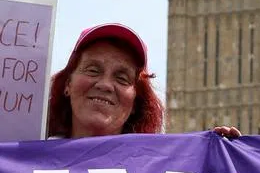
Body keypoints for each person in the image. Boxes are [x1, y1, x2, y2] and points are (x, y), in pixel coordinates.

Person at [47, 23, 240, 139]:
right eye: (92, 70)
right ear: (67, 84)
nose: (105, 85)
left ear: (135, 104)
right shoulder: (26, 162)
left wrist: (216, 160)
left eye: (122, 78)